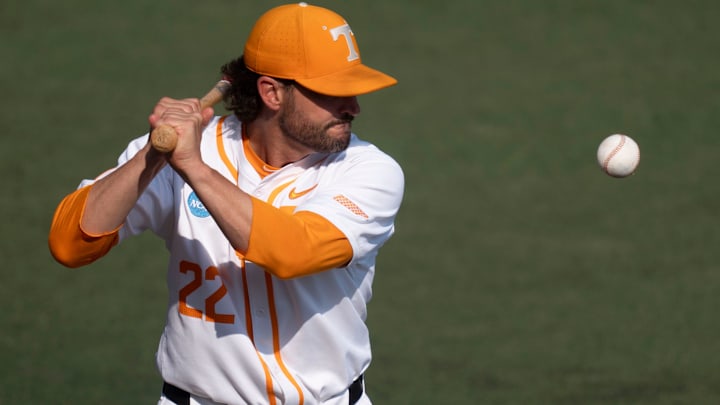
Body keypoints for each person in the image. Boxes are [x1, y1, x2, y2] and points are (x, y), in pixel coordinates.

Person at [48, 3, 404, 404]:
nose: (353, 107)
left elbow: (295, 252)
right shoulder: (178, 152)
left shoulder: (368, 170)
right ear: (271, 92)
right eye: (332, 93)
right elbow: (70, 245)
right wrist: (151, 155)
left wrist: (193, 168)